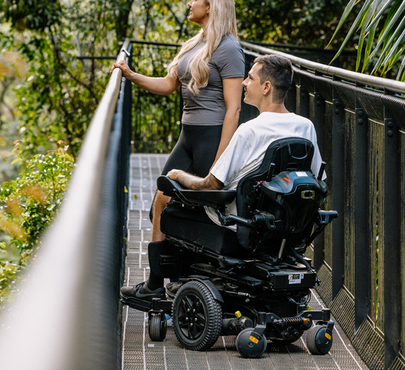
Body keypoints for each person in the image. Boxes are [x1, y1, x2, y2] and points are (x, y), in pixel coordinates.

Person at [120, 54, 323, 299]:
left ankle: (154, 286)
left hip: (238, 223)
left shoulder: (249, 130)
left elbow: (212, 183)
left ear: (266, 87)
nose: (244, 83)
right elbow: (318, 177)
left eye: (250, 78)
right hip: (281, 226)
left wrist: (179, 176)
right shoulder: (305, 127)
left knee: (164, 194)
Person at [112, 0, 244, 243]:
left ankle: (184, 278)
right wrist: (130, 74)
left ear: (209, 7)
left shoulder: (229, 49)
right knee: (160, 203)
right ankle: (156, 282)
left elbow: (235, 108)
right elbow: (168, 84)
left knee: (196, 212)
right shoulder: (196, 43)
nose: (189, 3)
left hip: (211, 137)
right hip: (188, 135)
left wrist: (221, 159)